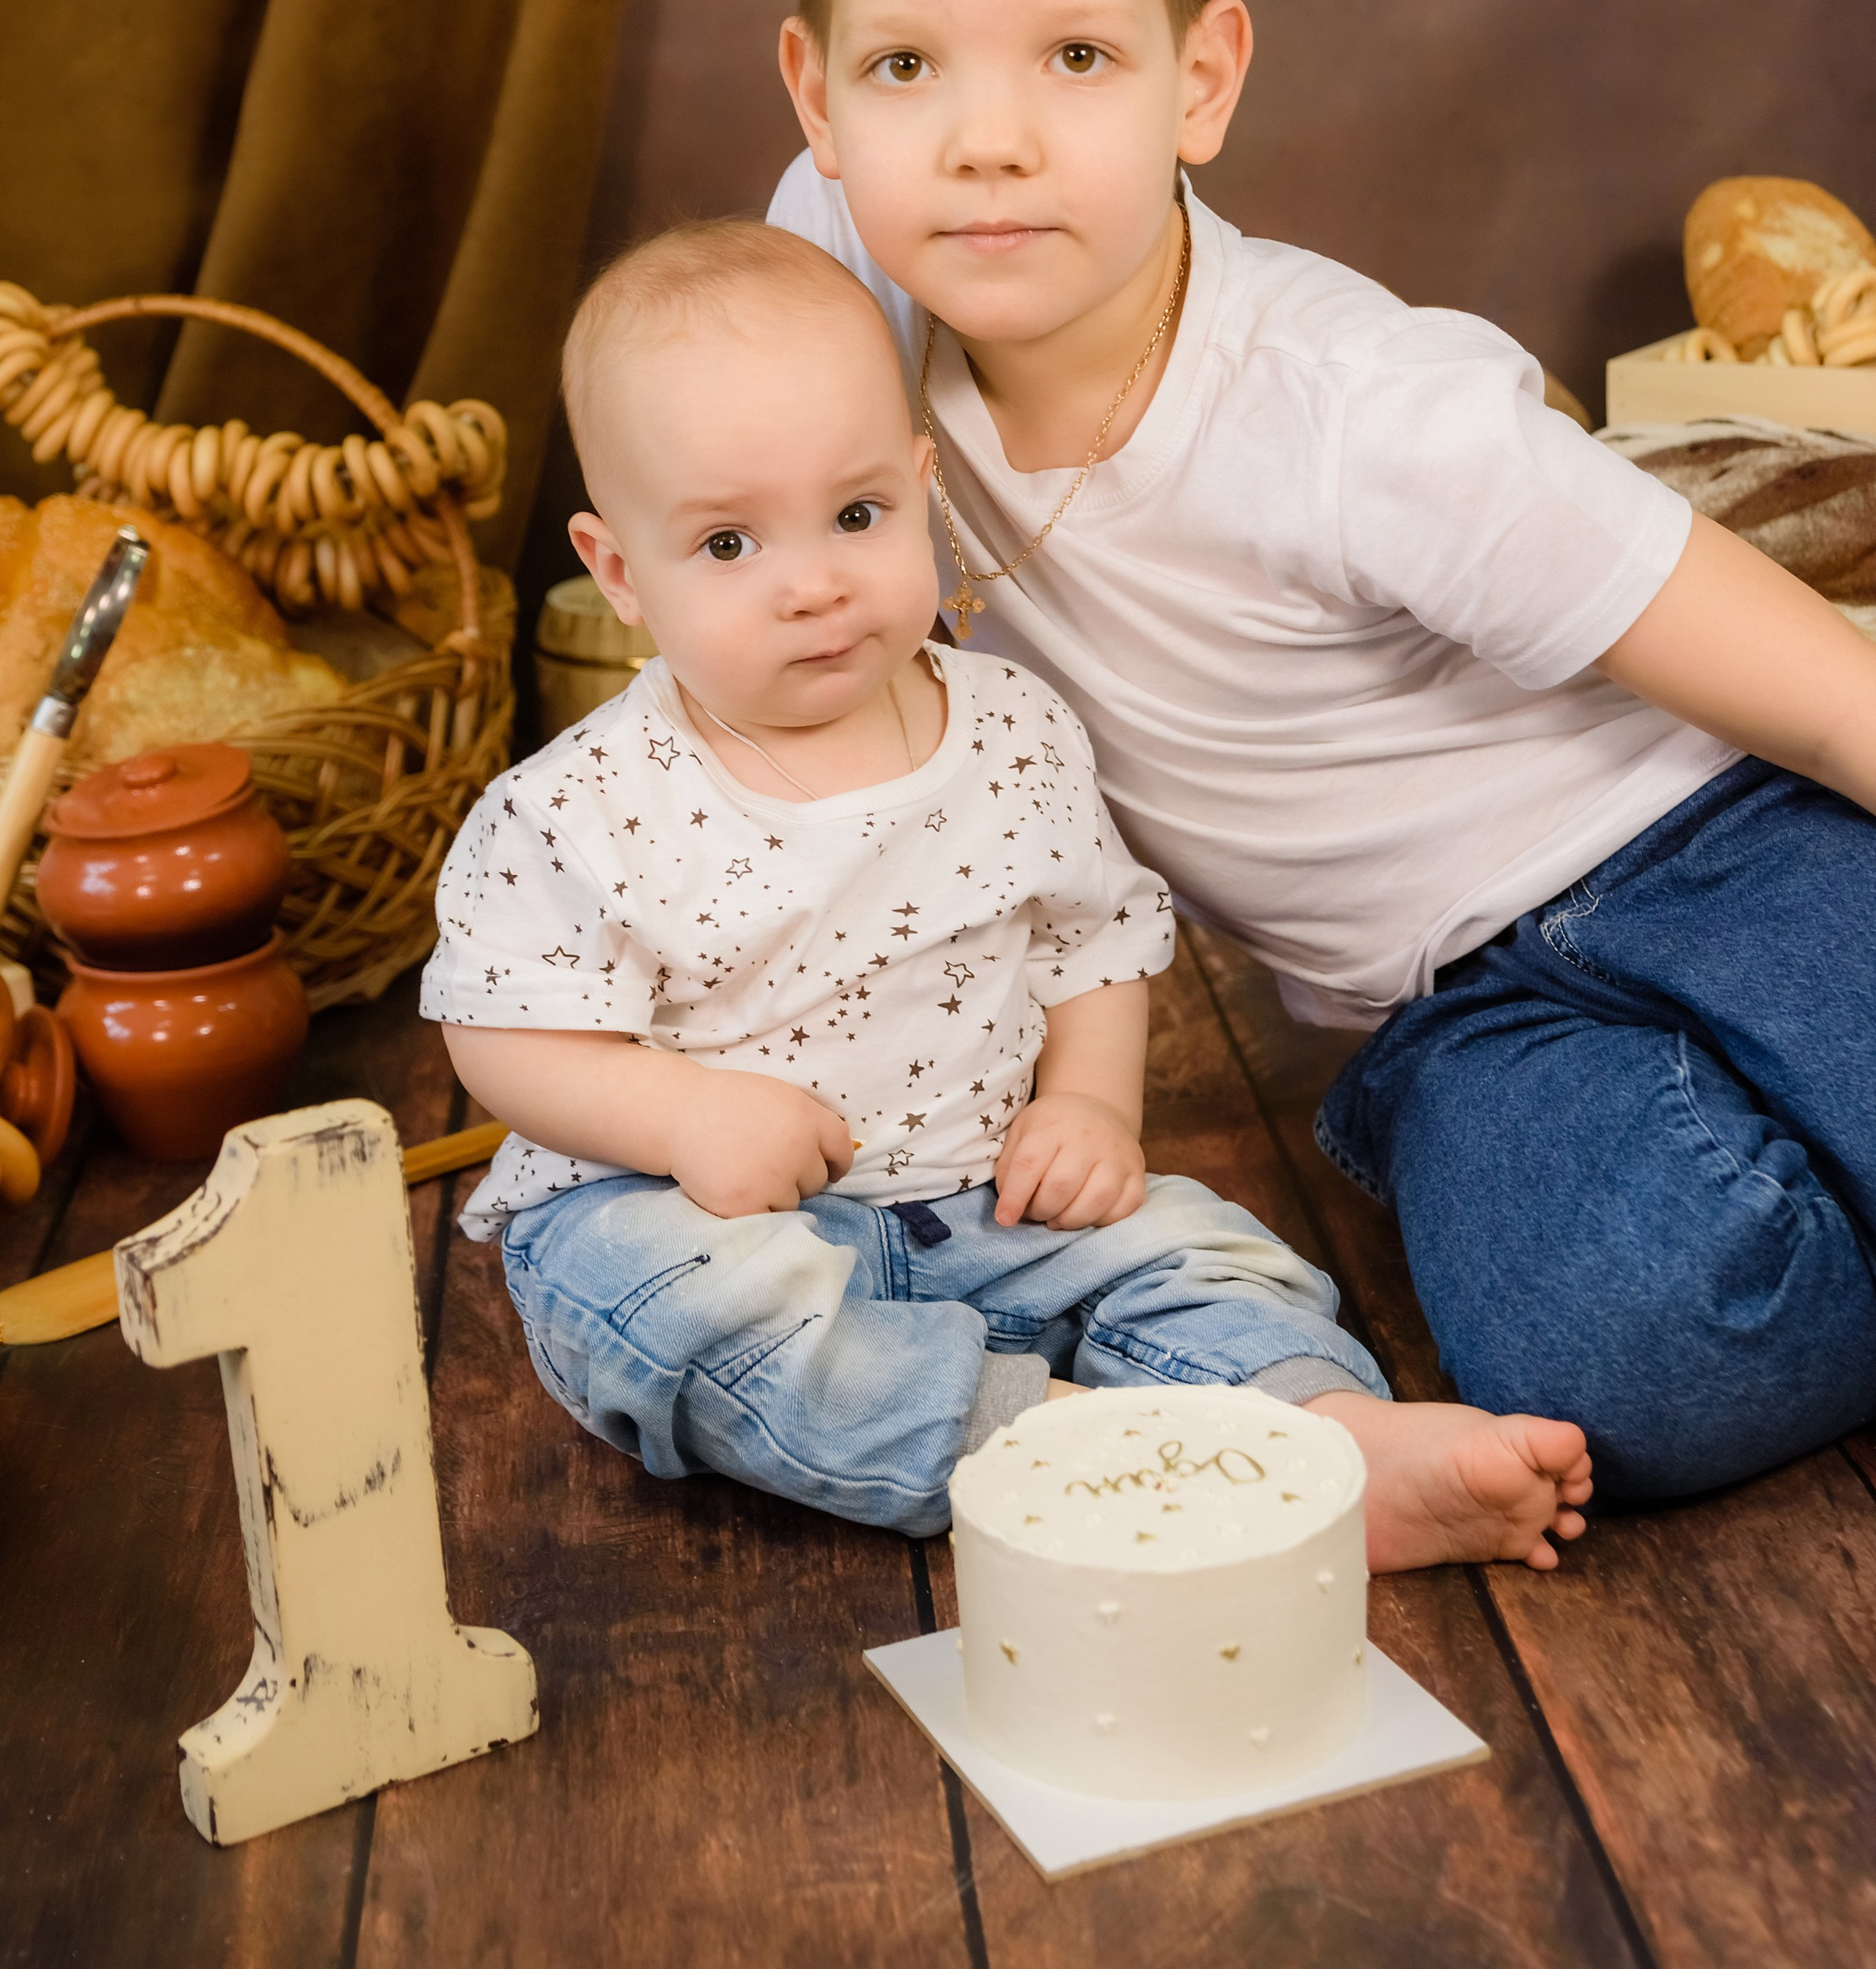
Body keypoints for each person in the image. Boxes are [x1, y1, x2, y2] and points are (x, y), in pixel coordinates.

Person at [768, 0, 1876, 1504]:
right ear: (817, 99)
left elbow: (1824, 691)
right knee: (1628, 1359)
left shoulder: (1361, 412)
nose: (983, 141)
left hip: (1719, 834)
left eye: (1073, 55)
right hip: (1449, 1004)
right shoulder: (834, 287)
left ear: (1198, 81)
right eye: (905, 66)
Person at [425, 221, 1594, 1564]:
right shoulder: (579, 806)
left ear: (923, 485)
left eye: (857, 516)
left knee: (1203, 1252)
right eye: (729, 543)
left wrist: (1089, 1107)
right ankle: (1065, 1451)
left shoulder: (1013, 731)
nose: (814, 585)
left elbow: (1094, 942)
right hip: (697, 1218)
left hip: (987, 1203)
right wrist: (683, 1115)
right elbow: (503, 1035)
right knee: (663, 1311)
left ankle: (1326, 1437)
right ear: (621, 570)